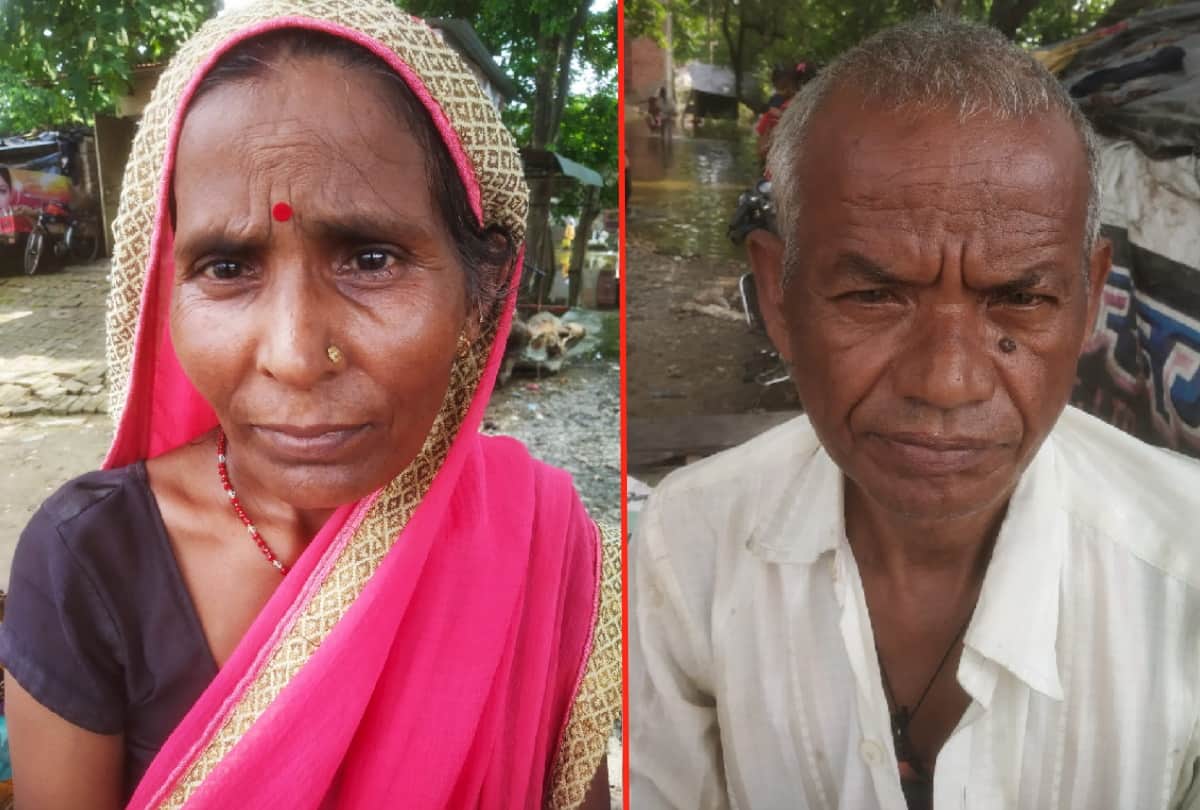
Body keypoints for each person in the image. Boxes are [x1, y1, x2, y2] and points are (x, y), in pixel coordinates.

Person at [0, 2, 619, 809]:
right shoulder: (89, 562)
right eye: (227, 266)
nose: (294, 356)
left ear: (483, 290)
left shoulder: (543, 543)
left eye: (369, 258)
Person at [631, 15, 1200, 810]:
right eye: (873, 295)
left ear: (1089, 302)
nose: (947, 381)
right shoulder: (684, 546)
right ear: (778, 297)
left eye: (1022, 299)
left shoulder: (1184, 571)